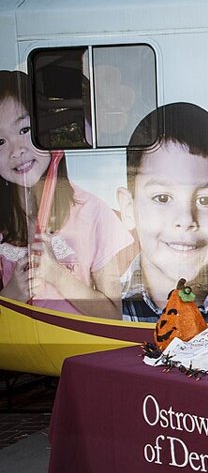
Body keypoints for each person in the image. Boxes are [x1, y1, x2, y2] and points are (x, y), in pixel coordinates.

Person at [0, 70, 130, 318]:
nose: (17, 151)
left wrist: (57, 275)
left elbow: (112, 315)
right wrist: (10, 296)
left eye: (25, 130)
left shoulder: (94, 212)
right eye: (0, 142)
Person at [119, 102, 208, 323]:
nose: (185, 220)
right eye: (162, 198)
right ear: (128, 209)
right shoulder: (98, 312)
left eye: (206, 200)